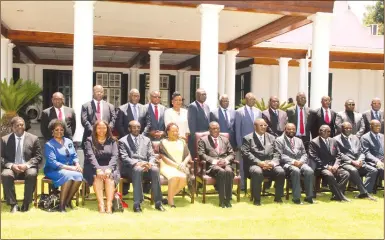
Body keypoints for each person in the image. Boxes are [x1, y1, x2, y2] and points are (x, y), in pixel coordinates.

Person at [118, 120, 164, 212]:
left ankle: (158, 202)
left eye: (138, 127)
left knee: (155, 169)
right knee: (138, 169)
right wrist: (138, 163)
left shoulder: (146, 140)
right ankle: (137, 204)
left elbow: (151, 155)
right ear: (129, 129)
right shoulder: (122, 141)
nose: (136, 129)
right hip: (130, 169)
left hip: (146, 167)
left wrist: (150, 164)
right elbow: (124, 157)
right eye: (134, 127)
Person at [1, 117, 42, 213]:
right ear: (12, 127)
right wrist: (11, 165)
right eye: (17, 125)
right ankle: (13, 204)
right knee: (6, 174)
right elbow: (1, 157)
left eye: (22, 125)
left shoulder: (33, 138)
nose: (20, 127)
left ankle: (26, 203)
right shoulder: (4, 140)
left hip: (27, 167)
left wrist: (27, 165)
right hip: (11, 167)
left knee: (32, 174)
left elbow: (38, 157)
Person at [240, 118, 285, 206]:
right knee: (257, 172)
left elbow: (277, 152)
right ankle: (257, 200)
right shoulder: (248, 138)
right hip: (255, 165)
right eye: (261, 125)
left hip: (270, 163)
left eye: (265, 125)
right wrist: (259, 163)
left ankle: (278, 198)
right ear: (255, 126)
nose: (264, 127)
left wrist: (273, 162)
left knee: (281, 171)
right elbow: (246, 153)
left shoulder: (272, 137)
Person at [44, 120, 84, 212]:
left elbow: (74, 155)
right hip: (53, 170)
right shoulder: (49, 144)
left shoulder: (68, 141)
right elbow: (53, 162)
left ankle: (67, 202)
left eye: (61, 130)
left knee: (79, 175)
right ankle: (61, 206)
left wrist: (77, 164)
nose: (59, 132)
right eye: (56, 130)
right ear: (52, 132)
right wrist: (71, 168)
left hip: (69, 168)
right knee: (68, 176)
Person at [334, 122, 377, 200]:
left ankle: (365, 192)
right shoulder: (336, 139)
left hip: (358, 161)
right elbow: (339, 154)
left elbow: (361, 151)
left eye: (350, 128)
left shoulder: (355, 137)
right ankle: (364, 193)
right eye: (346, 128)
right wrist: (352, 162)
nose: (348, 130)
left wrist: (360, 160)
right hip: (345, 163)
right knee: (353, 170)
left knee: (373, 170)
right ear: (341, 129)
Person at [83, 120, 120, 213]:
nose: (101, 130)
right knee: (98, 177)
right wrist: (98, 169)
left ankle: (109, 204)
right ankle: (101, 204)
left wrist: (110, 168)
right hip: (93, 166)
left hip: (109, 165)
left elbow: (115, 156)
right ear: (95, 129)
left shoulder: (113, 140)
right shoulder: (89, 140)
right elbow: (90, 156)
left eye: (104, 128)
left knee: (109, 177)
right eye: (99, 128)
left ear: (107, 129)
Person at [274, 123, 314, 204]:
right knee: (296, 171)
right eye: (289, 129)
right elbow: (280, 155)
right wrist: (293, 162)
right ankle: (296, 198)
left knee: (309, 171)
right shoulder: (279, 140)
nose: (291, 131)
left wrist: (301, 161)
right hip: (286, 164)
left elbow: (304, 153)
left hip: (300, 162)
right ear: (285, 130)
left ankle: (309, 197)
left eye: (293, 129)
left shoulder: (299, 140)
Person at [197, 121, 235, 208]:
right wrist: (214, 161)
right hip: (212, 166)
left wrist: (225, 160)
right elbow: (201, 154)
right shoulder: (203, 140)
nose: (216, 130)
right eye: (213, 128)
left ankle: (228, 200)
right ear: (209, 130)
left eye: (217, 128)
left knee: (229, 171)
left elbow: (232, 154)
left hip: (225, 163)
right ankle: (222, 201)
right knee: (221, 171)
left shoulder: (225, 139)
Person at [308, 125, 350, 202]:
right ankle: (340, 196)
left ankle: (336, 195)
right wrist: (327, 167)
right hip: (321, 167)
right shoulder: (314, 142)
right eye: (324, 131)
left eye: (329, 131)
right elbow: (314, 157)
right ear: (319, 131)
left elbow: (338, 155)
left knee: (346, 174)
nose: (326, 133)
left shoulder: (333, 140)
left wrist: (336, 165)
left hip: (334, 166)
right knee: (329, 175)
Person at [159, 123, 193, 208]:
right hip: (167, 166)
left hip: (181, 166)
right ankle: (171, 202)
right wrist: (176, 166)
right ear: (167, 132)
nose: (175, 133)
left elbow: (188, 155)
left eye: (177, 131)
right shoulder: (163, 142)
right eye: (173, 131)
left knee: (185, 178)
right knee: (174, 177)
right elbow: (163, 157)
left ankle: (168, 197)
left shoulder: (182, 141)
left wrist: (184, 163)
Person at [235, 92, 262, 190]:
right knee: (242, 165)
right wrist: (239, 144)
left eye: (254, 99)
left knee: (256, 164)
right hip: (244, 143)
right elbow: (237, 129)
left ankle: (255, 186)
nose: (253, 101)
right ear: (246, 100)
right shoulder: (239, 112)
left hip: (256, 143)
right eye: (251, 99)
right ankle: (242, 186)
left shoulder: (259, 112)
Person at [187, 88, 210, 158]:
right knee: (196, 159)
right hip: (197, 139)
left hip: (206, 138)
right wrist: (196, 140)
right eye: (202, 94)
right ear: (197, 96)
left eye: (205, 94)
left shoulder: (206, 106)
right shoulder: (192, 106)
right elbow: (192, 125)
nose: (204, 96)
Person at [361, 119, 384, 184]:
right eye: (376, 125)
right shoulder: (365, 138)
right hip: (372, 162)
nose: (378, 127)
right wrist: (377, 161)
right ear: (371, 126)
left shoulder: (382, 136)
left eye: (379, 126)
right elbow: (366, 153)